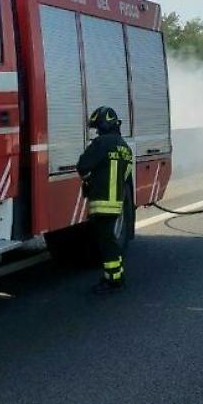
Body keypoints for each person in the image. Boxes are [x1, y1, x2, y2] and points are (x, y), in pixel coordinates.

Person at [76, 106, 134, 295]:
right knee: (109, 239)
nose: (97, 131)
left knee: (105, 242)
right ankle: (115, 275)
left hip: (101, 202)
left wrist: (88, 180)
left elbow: (83, 165)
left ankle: (114, 280)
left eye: (98, 127)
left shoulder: (101, 143)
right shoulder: (125, 147)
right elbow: (126, 175)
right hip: (116, 203)